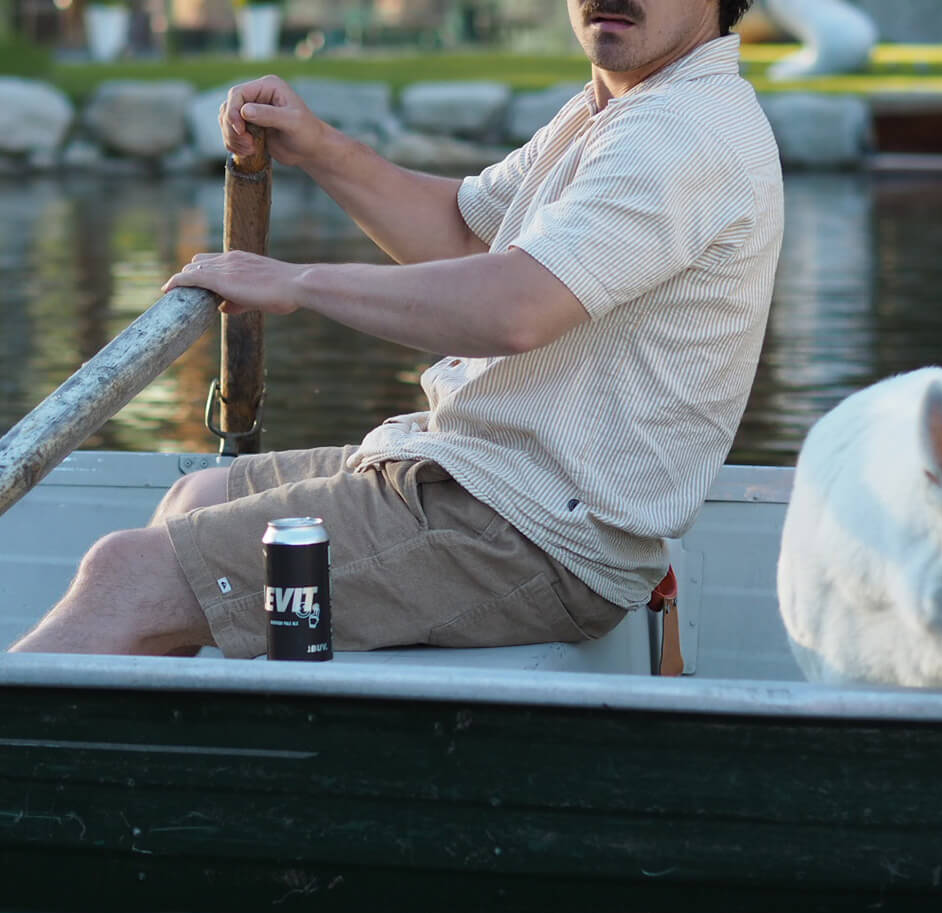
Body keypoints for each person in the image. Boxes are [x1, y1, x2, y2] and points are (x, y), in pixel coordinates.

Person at [11, 0, 782, 658]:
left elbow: (515, 307)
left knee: (129, 571)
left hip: (533, 537)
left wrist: (296, 281)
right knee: (197, 499)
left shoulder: (681, 132)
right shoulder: (616, 108)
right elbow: (470, 236)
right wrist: (323, 150)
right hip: (482, 484)